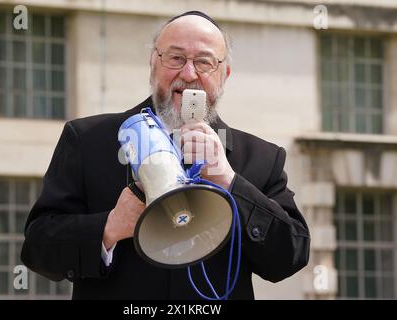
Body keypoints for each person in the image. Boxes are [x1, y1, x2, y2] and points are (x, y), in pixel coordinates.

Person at [21, 10, 310, 300]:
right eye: (175, 58)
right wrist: (109, 227)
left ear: (224, 75)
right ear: (152, 65)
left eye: (204, 62)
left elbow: (291, 257)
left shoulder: (262, 158)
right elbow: (37, 248)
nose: (188, 74)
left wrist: (232, 184)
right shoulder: (88, 140)